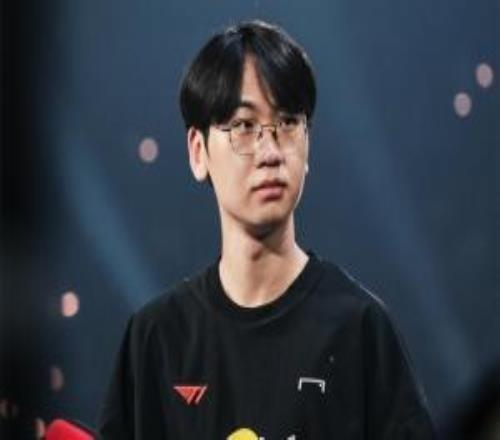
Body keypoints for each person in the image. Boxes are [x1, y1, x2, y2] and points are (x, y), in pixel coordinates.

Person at [97, 20, 436, 439]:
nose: (270, 151)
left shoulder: (360, 328)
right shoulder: (156, 338)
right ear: (198, 152)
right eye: (243, 126)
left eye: (288, 123)